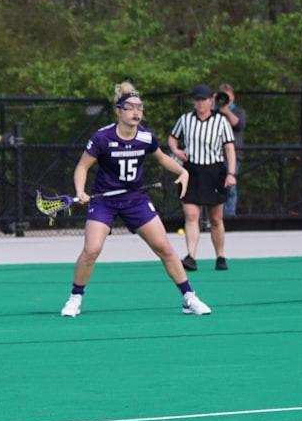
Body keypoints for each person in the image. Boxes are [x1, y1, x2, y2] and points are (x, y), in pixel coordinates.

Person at [60, 82, 211, 317]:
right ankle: (75, 298)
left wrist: (183, 171)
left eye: (139, 107)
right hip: (104, 201)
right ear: (119, 111)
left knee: (165, 248)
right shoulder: (102, 137)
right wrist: (80, 190)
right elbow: (82, 167)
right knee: (91, 250)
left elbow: (162, 158)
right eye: (130, 107)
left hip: (135, 200)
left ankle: (188, 297)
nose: (136, 112)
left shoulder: (146, 137)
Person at [168, 84, 237, 271]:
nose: (200, 103)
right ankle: (191, 256)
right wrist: (176, 150)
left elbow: (229, 148)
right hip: (191, 171)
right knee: (191, 215)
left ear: (211, 101)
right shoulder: (185, 119)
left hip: (214, 171)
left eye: (203, 100)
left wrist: (231, 173)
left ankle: (220, 256)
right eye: (197, 100)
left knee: (215, 218)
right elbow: (172, 138)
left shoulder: (221, 122)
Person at [215, 83, 247, 217]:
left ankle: (229, 217)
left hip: (232, 156)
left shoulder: (238, 111)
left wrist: (227, 111)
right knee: (214, 187)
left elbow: (239, 125)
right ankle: (214, 217)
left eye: (227, 96)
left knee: (230, 188)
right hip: (214, 156)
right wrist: (212, 103)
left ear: (233, 97)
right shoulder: (213, 111)